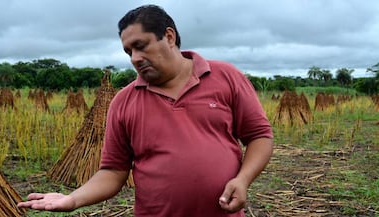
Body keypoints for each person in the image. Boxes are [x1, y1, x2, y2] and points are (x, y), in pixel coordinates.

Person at [18, 4, 273, 217]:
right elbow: (114, 171)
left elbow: (259, 136)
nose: (134, 58)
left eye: (141, 45)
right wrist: (73, 199)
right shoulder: (124, 101)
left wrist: (243, 179)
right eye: (129, 51)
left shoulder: (225, 77)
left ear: (169, 37)